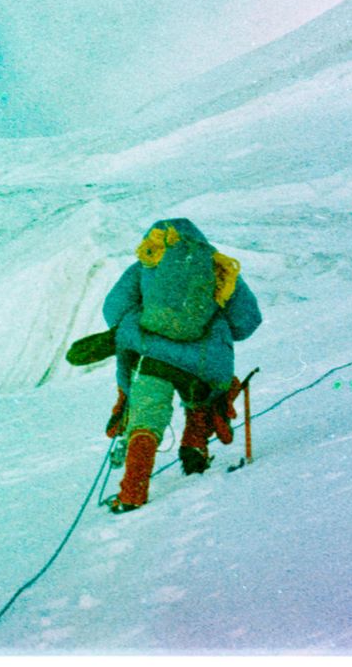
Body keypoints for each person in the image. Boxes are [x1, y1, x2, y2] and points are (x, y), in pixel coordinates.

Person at [98, 217, 262, 513]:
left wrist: (142, 321)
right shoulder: (217, 267)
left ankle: (132, 493)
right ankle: (195, 453)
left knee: (146, 420)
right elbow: (247, 322)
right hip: (202, 363)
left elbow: (114, 309)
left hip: (152, 355)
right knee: (200, 404)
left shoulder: (145, 265)